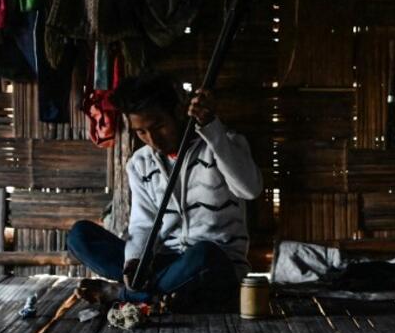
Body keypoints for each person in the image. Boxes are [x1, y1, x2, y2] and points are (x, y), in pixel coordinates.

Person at [66, 74, 262, 311]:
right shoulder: (140, 164)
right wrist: (134, 263)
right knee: (80, 235)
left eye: (159, 126)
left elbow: (250, 189)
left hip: (214, 267)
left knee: (203, 253)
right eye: (141, 132)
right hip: (165, 264)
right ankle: (156, 294)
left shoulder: (223, 144)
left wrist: (212, 128)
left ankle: (124, 294)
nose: (153, 139)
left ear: (179, 111)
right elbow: (142, 225)